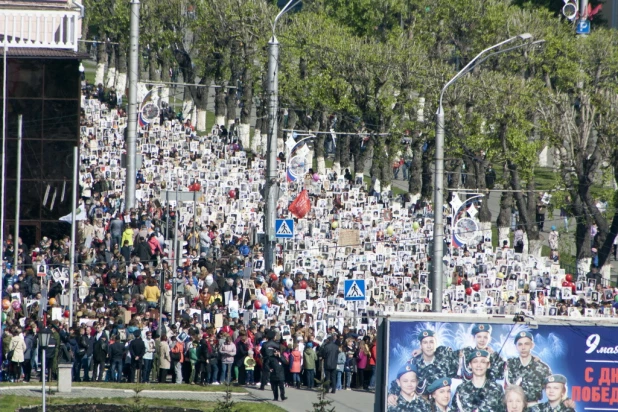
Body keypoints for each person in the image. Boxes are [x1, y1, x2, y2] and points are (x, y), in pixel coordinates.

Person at [505, 332, 551, 408]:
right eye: (520, 344)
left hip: (533, 407)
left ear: (532, 345)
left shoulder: (542, 367)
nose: (523, 348)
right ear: (515, 346)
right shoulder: (509, 365)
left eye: (526, 344)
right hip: (514, 408)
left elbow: (552, 390)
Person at [412, 330, 458, 395]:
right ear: (420, 345)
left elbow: (462, 356)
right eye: (425, 343)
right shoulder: (414, 363)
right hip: (423, 402)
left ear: (436, 343)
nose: (429, 346)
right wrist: (393, 393)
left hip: (443, 400)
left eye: (431, 342)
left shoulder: (444, 355)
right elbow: (403, 379)